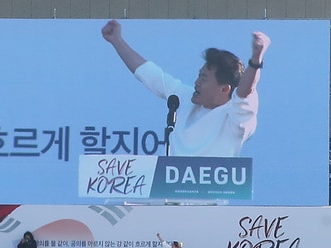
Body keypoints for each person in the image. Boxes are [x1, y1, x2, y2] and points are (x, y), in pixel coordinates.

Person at [102, 20, 268, 158]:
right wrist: (117, 41)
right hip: (172, 195)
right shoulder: (186, 97)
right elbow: (150, 74)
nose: (196, 82)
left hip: (211, 197)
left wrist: (255, 61)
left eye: (204, 79)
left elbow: (245, 92)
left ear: (224, 89)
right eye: (199, 75)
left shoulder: (237, 118)